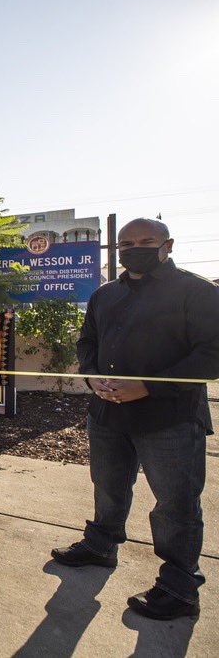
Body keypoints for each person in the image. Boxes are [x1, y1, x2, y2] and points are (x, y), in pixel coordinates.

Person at [51, 218, 219, 620]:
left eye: (145, 241)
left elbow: (212, 355)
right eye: (125, 243)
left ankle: (179, 588)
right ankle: (100, 545)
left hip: (169, 418)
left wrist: (147, 386)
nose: (133, 248)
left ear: (168, 245)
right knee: (108, 486)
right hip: (107, 413)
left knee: (175, 505)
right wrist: (92, 376)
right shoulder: (106, 294)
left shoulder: (197, 292)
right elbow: (87, 341)